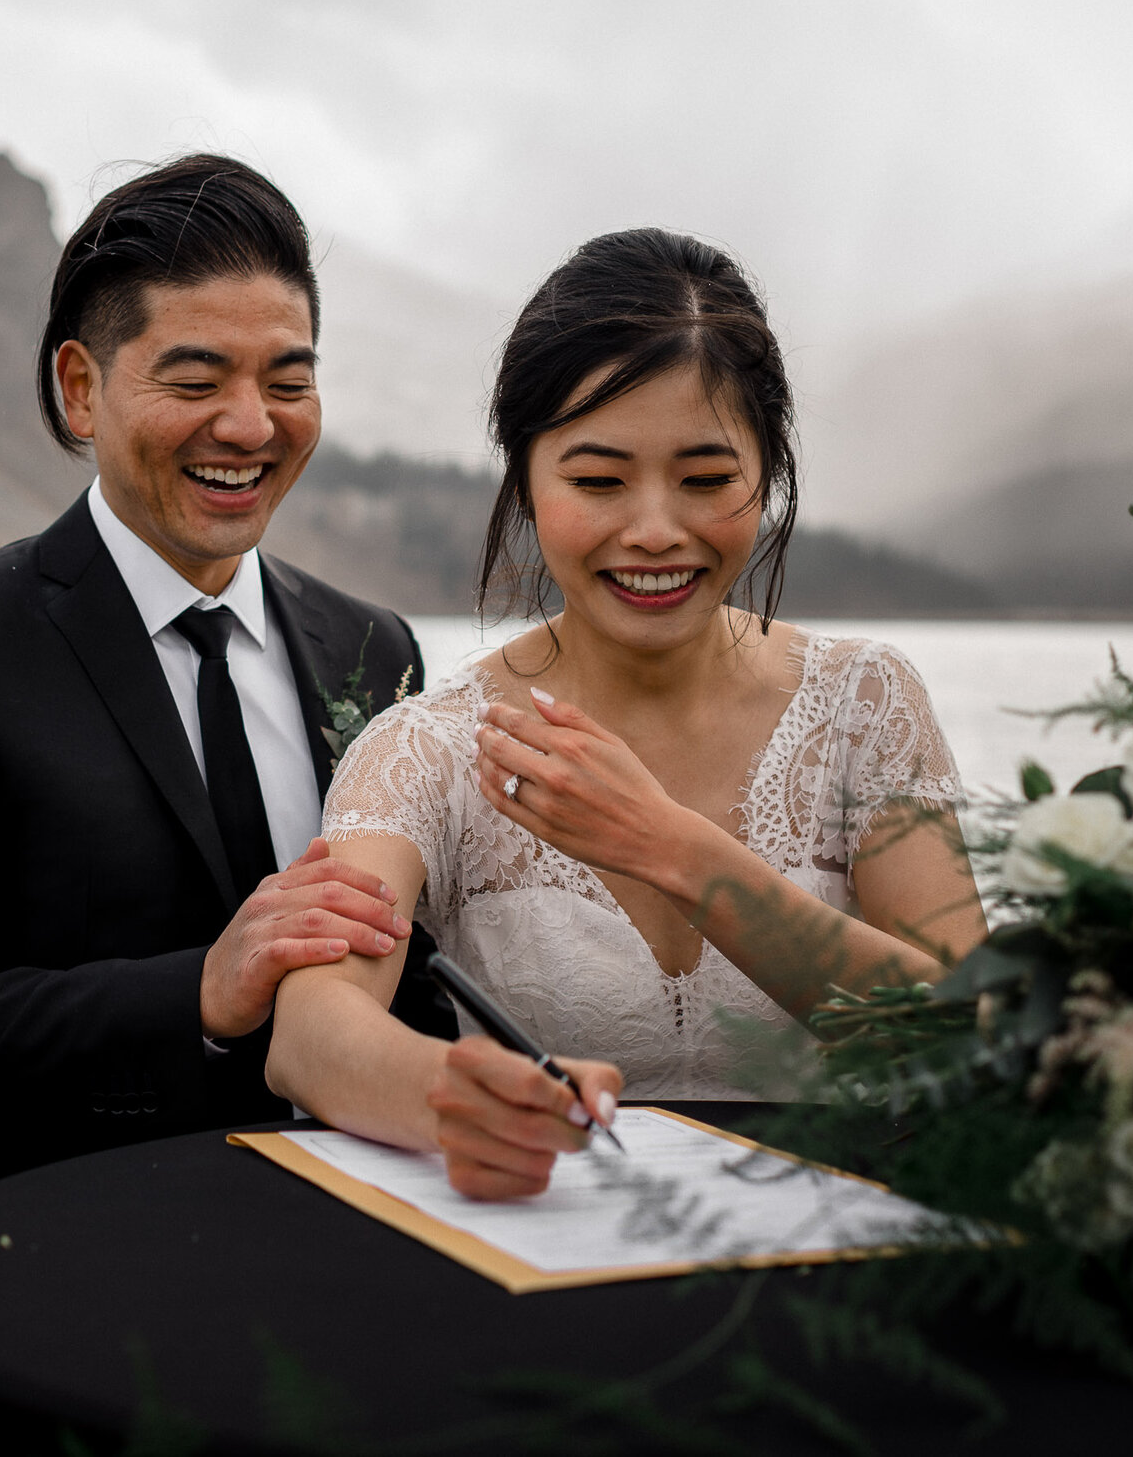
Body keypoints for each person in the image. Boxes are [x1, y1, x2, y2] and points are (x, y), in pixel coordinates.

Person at [265, 228, 988, 1200]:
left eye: (704, 478)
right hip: (547, 1258)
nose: (653, 529)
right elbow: (310, 1032)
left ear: (767, 474)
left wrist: (674, 848)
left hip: (843, 1269)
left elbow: (974, 1031)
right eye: (597, 480)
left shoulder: (865, 705)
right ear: (523, 478)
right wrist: (448, 1093)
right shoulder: (426, 746)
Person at [0, 154, 454, 1226]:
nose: (251, 425)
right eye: (196, 381)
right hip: (51, 1261)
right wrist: (198, 988)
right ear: (80, 387)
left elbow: (401, 962)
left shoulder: (369, 644)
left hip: (337, 1254)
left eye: (288, 381)